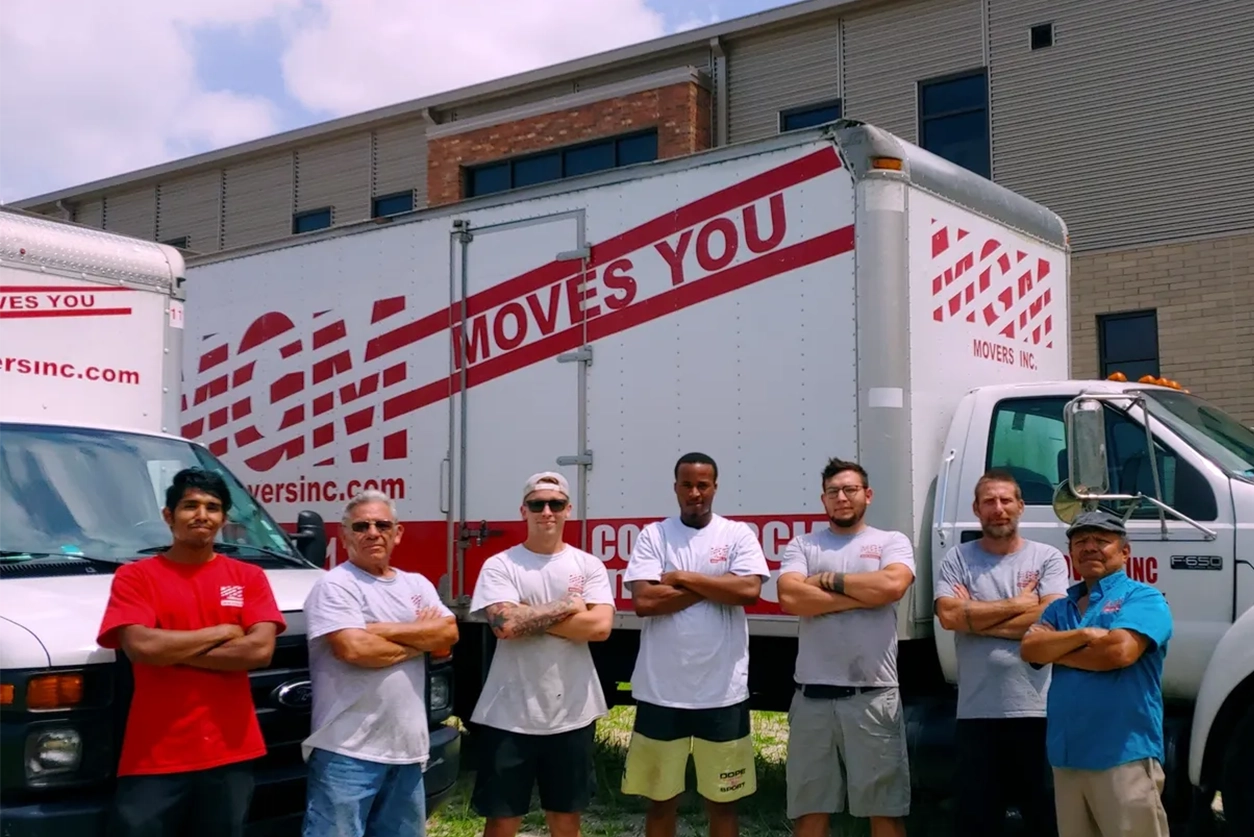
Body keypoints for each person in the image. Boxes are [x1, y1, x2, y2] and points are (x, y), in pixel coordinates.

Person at [96, 467, 287, 837]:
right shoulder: (136, 577)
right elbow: (141, 647)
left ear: (223, 519)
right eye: (190, 505)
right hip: (154, 755)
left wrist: (171, 649)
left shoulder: (249, 578)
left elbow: (259, 651)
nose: (202, 515)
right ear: (169, 516)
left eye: (212, 507)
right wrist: (221, 632)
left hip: (231, 752)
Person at [620, 452, 770, 837]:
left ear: (715, 487)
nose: (695, 492)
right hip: (661, 693)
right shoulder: (654, 535)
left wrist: (684, 577)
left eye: (703, 484)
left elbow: (749, 590)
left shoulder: (736, 534)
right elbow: (645, 602)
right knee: (658, 805)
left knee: (723, 806)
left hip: (722, 694)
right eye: (687, 484)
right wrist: (718, 584)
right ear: (675, 488)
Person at [300, 490, 459, 837]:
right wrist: (421, 640)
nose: (373, 532)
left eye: (382, 524)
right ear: (344, 536)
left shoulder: (417, 584)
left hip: (407, 753)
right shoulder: (334, 585)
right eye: (361, 526)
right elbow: (354, 649)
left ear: (397, 533)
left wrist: (381, 630)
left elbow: (448, 632)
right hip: (346, 752)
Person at [468, 471, 616, 837]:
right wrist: (567, 605)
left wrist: (527, 613)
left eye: (556, 504)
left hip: (573, 714)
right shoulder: (501, 565)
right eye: (537, 504)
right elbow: (504, 625)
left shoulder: (588, 565)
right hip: (509, 714)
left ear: (569, 510)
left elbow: (599, 628)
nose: (546, 511)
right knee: (502, 821)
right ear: (523, 510)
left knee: (565, 820)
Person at [776, 458, 916, 837]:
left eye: (850, 490)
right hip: (812, 699)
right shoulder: (803, 544)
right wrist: (861, 594)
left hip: (871, 696)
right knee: (809, 812)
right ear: (823, 500)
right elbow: (789, 596)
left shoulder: (890, 541)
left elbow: (892, 588)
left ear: (867, 495)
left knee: (884, 811)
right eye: (833, 492)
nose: (842, 497)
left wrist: (828, 582)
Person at [1020, 510, 1173, 837]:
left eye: (1101, 541)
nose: (1089, 547)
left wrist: (1058, 651)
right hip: (1067, 756)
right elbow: (1031, 649)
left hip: (1122, 755)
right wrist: (1085, 636)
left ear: (1125, 552)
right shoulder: (1060, 606)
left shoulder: (1142, 597)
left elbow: (1119, 652)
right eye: (1080, 542)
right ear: (1071, 552)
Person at [933, 469, 1069, 836]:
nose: (998, 509)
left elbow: (1053, 617)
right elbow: (947, 615)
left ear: (1021, 506)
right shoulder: (958, 559)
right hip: (977, 714)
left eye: (1006, 500)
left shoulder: (1048, 557)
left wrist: (973, 617)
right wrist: (1019, 603)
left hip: (1036, 711)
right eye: (989, 501)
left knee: (1045, 816)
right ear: (977, 509)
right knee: (976, 819)